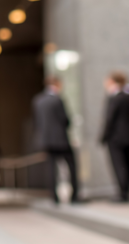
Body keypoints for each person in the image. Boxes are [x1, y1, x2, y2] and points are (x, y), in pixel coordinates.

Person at [32, 76, 82, 204]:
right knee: (72, 165)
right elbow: (65, 120)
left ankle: (54, 197)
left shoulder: (38, 100)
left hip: (46, 140)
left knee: (51, 168)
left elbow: (37, 122)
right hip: (61, 140)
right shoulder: (57, 100)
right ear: (56, 84)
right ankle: (74, 195)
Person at [100, 72, 129, 202]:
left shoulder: (114, 97)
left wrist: (104, 136)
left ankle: (123, 193)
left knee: (119, 164)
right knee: (128, 163)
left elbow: (109, 118)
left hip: (116, 137)